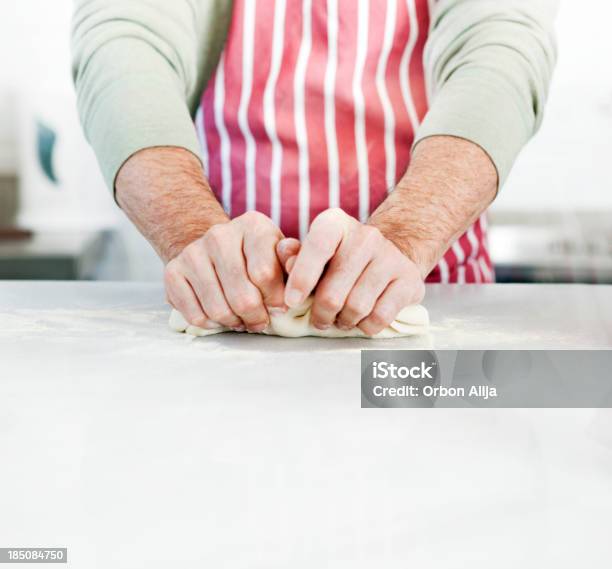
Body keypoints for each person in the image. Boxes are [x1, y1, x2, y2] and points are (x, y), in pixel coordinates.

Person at [72, 0, 557, 335]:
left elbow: (500, 54)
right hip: (226, 306)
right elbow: (124, 47)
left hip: (432, 292)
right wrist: (192, 232)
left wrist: (406, 235)